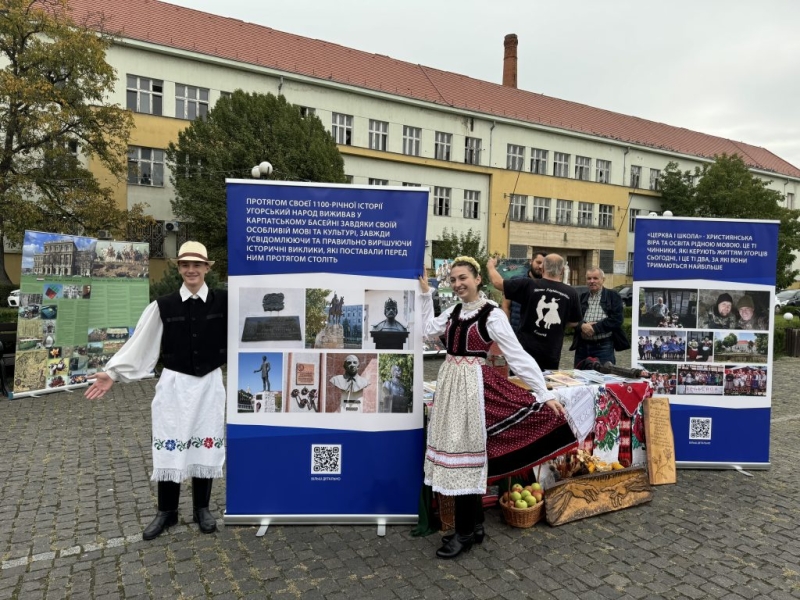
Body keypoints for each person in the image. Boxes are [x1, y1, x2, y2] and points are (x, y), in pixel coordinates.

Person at [419, 256, 575, 560]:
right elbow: (427, 331)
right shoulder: (453, 311)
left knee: (466, 457)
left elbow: (517, 356)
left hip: (472, 388)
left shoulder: (491, 315)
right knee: (461, 454)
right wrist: (426, 294)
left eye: (463, 277)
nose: (457, 284)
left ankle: (464, 533)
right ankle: (474, 526)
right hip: (450, 385)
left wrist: (543, 393)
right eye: (452, 279)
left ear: (478, 279)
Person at [84, 241, 227, 540]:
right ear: (178, 268)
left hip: (210, 383)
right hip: (174, 384)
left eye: (197, 264)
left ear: (206, 268)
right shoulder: (163, 305)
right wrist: (113, 373)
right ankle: (167, 512)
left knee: (205, 442)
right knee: (170, 441)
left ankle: (202, 508)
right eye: (185, 264)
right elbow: (141, 346)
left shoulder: (224, 301)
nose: (191, 270)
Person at [488, 253, 581, 370]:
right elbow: (574, 322)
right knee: (546, 384)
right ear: (562, 270)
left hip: (524, 350)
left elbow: (498, 283)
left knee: (520, 384)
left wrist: (491, 266)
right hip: (551, 352)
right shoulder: (571, 293)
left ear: (542, 268)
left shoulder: (528, 284)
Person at [569, 267, 627, 367]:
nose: (592, 281)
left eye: (595, 278)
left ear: (603, 280)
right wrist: (582, 326)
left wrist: (594, 328)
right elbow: (572, 318)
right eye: (589, 278)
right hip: (582, 346)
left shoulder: (612, 296)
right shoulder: (581, 297)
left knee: (604, 377)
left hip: (603, 346)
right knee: (579, 378)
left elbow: (617, 319)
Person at [501, 251, 545, 333]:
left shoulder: (548, 286)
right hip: (515, 333)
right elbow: (505, 306)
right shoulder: (516, 280)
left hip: (535, 336)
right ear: (531, 261)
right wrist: (507, 330)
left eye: (544, 264)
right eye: (538, 262)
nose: (540, 266)